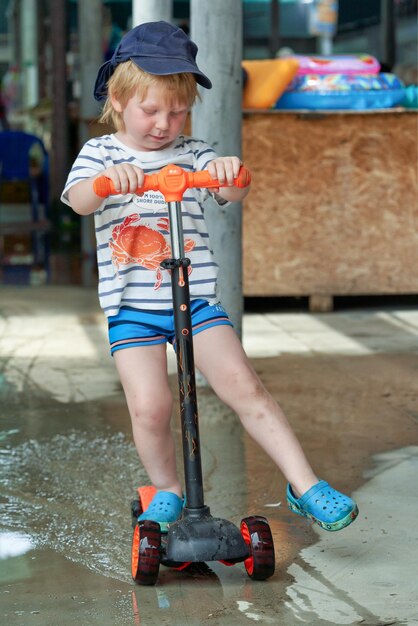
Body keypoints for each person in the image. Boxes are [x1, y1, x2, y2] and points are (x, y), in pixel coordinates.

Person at [62, 21, 358, 533]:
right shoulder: (100, 154)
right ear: (117, 98)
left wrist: (231, 172)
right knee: (151, 408)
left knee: (246, 388)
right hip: (133, 309)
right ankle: (168, 488)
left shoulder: (194, 152)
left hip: (196, 301)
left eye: (178, 111)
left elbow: (234, 190)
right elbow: (79, 201)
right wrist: (108, 183)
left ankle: (305, 484)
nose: (164, 123)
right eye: (151, 110)